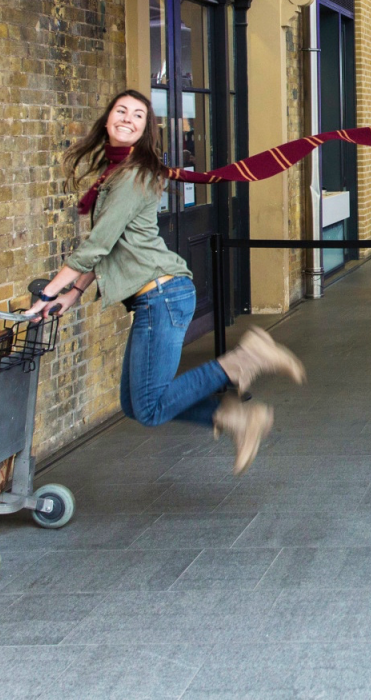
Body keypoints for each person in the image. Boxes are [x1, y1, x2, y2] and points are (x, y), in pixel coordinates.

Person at [26, 90, 303, 474]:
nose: (127, 118)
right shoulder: (116, 174)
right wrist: (69, 297)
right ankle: (235, 419)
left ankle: (245, 361)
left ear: (144, 130)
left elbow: (98, 243)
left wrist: (48, 293)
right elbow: (106, 248)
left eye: (138, 115)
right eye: (121, 111)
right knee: (134, 403)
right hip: (157, 296)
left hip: (162, 295)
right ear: (107, 119)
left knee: (150, 406)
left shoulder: (133, 175)